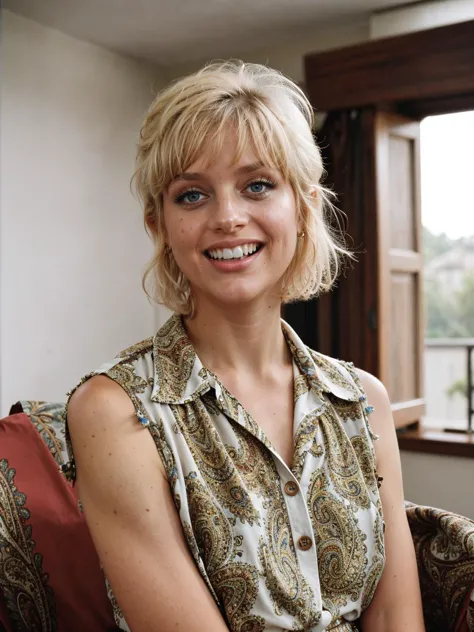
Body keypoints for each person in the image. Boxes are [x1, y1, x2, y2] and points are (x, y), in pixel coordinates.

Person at [66, 60, 425, 632]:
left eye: (258, 185)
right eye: (192, 196)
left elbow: (396, 621)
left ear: (303, 208)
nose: (228, 217)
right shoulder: (114, 412)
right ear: (159, 225)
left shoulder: (364, 401)